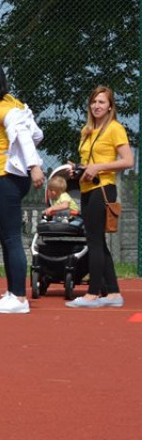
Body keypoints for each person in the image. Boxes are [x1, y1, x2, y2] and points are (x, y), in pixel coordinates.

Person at [0, 64, 45, 314]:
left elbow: (25, 136)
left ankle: (19, 298)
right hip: (11, 177)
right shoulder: (13, 102)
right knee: (8, 237)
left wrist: (33, 166)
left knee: (11, 238)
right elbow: (37, 134)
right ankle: (13, 291)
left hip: (7, 178)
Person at [66, 86, 134, 308]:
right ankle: (113, 293)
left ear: (110, 106)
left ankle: (93, 293)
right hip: (86, 189)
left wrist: (99, 167)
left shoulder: (115, 128)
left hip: (103, 188)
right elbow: (88, 163)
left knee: (94, 241)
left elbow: (128, 161)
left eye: (102, 102)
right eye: (94, 102)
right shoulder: (86, 130)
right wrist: (78, 170)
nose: (97, 106)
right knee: (97, 241)